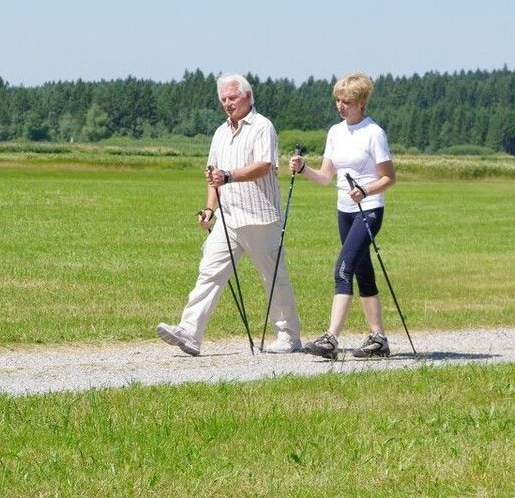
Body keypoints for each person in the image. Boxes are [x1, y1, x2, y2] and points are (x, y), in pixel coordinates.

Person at [156, 74, 302, 355]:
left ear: (248, 97)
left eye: (232, 98)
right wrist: (209, 208)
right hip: (229, 218)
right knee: (209, 272)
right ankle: (190, 332)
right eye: (223, 99)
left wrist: (229, 175)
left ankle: (288, 336)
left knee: (273, 279)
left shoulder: (262, 127)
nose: (227, 103)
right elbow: (214, 175)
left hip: (261, 217)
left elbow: (264, 166)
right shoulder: (220, 133)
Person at [288, 72, 396, 359]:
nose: (340, 106)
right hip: (344, 211)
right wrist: (303, 169)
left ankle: (331, 338)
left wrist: (365, 189)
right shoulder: (335, 132)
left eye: (346, 101)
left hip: (369, 210)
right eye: (337, 100)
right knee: (362, 271)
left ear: (361, 102)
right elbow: (325, 177)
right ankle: (379, 339)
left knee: (343, 269)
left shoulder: (374, 133)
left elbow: (389, 178)